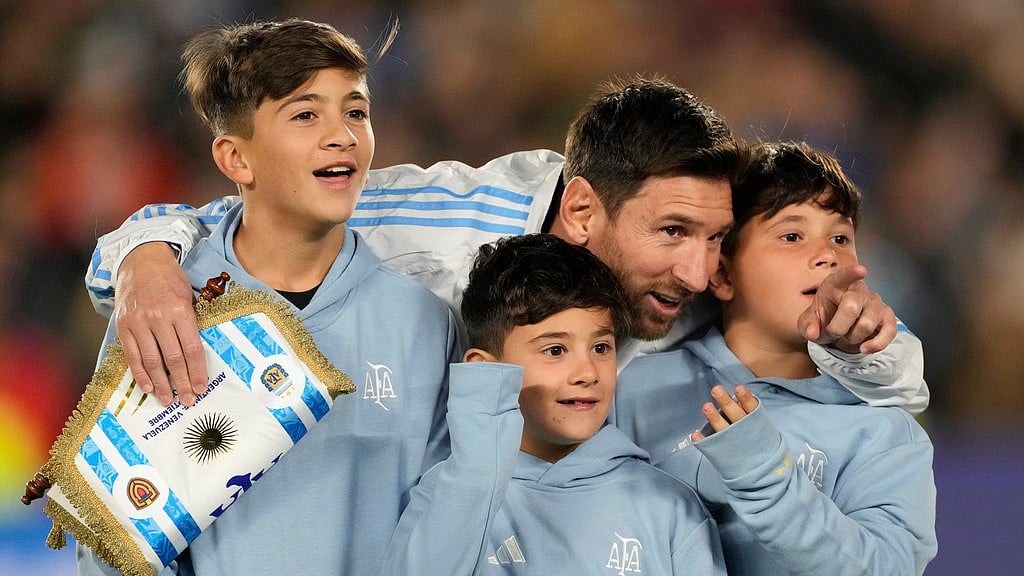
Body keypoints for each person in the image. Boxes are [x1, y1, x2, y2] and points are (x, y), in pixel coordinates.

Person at [85, 75, 928, 413]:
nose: (700, 271)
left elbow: (902, 391)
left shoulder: (707, 270)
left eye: (713, 240)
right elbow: (224, 219)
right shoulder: (432, 226)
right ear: (585, 209)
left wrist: (864, 347)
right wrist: (143, 261)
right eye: (671, 234)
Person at [77, 19, 459, 576]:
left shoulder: (421, 320)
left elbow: (441, 530)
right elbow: (116, 531)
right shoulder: (165, 303)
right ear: (235, 159)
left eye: (356, 111)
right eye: (306, 114)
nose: (344, 136)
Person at [611, 141, 937, 575]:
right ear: (723, 273)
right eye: (791, 235)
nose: (827, 255)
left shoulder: (882, 431)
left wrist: (765, 477)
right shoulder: (630, 387)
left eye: (841, 237)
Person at [382, 233, 726, 575]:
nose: (588, 373)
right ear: (485, 370)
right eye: (555, 350)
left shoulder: (671, 506)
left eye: (601, 348)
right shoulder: (442, 494)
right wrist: (474, 477)